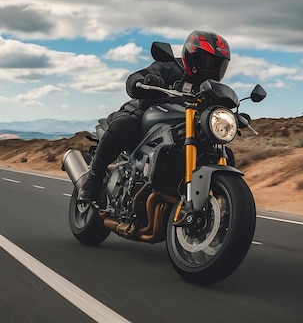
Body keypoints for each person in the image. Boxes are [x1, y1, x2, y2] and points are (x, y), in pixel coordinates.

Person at [78, 30, 232, 205]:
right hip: (144, 114)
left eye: (218, 64)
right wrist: (143, 81)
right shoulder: (169, 66)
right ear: (193, 56)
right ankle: (94, 178)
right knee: (123, 126)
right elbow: (135, 79)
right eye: (208, 61)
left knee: (221, 152)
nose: (212, 69)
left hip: (185, 127)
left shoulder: (210, 89)